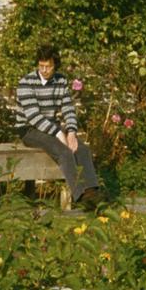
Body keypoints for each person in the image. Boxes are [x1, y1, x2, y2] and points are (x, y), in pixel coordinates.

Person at [14, 44, 102, 207]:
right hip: (29, 129)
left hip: (52, 128)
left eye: (48, 66)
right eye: (41, 66)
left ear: (56, 65)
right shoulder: (26, 83)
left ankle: (92, 192)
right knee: (63, 151)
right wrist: (59, 134)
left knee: (81, 149)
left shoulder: (61, 81)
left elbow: (68, 108)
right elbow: (33, 117)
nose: (44, 70)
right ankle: (81, 196)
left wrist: (71, 132)